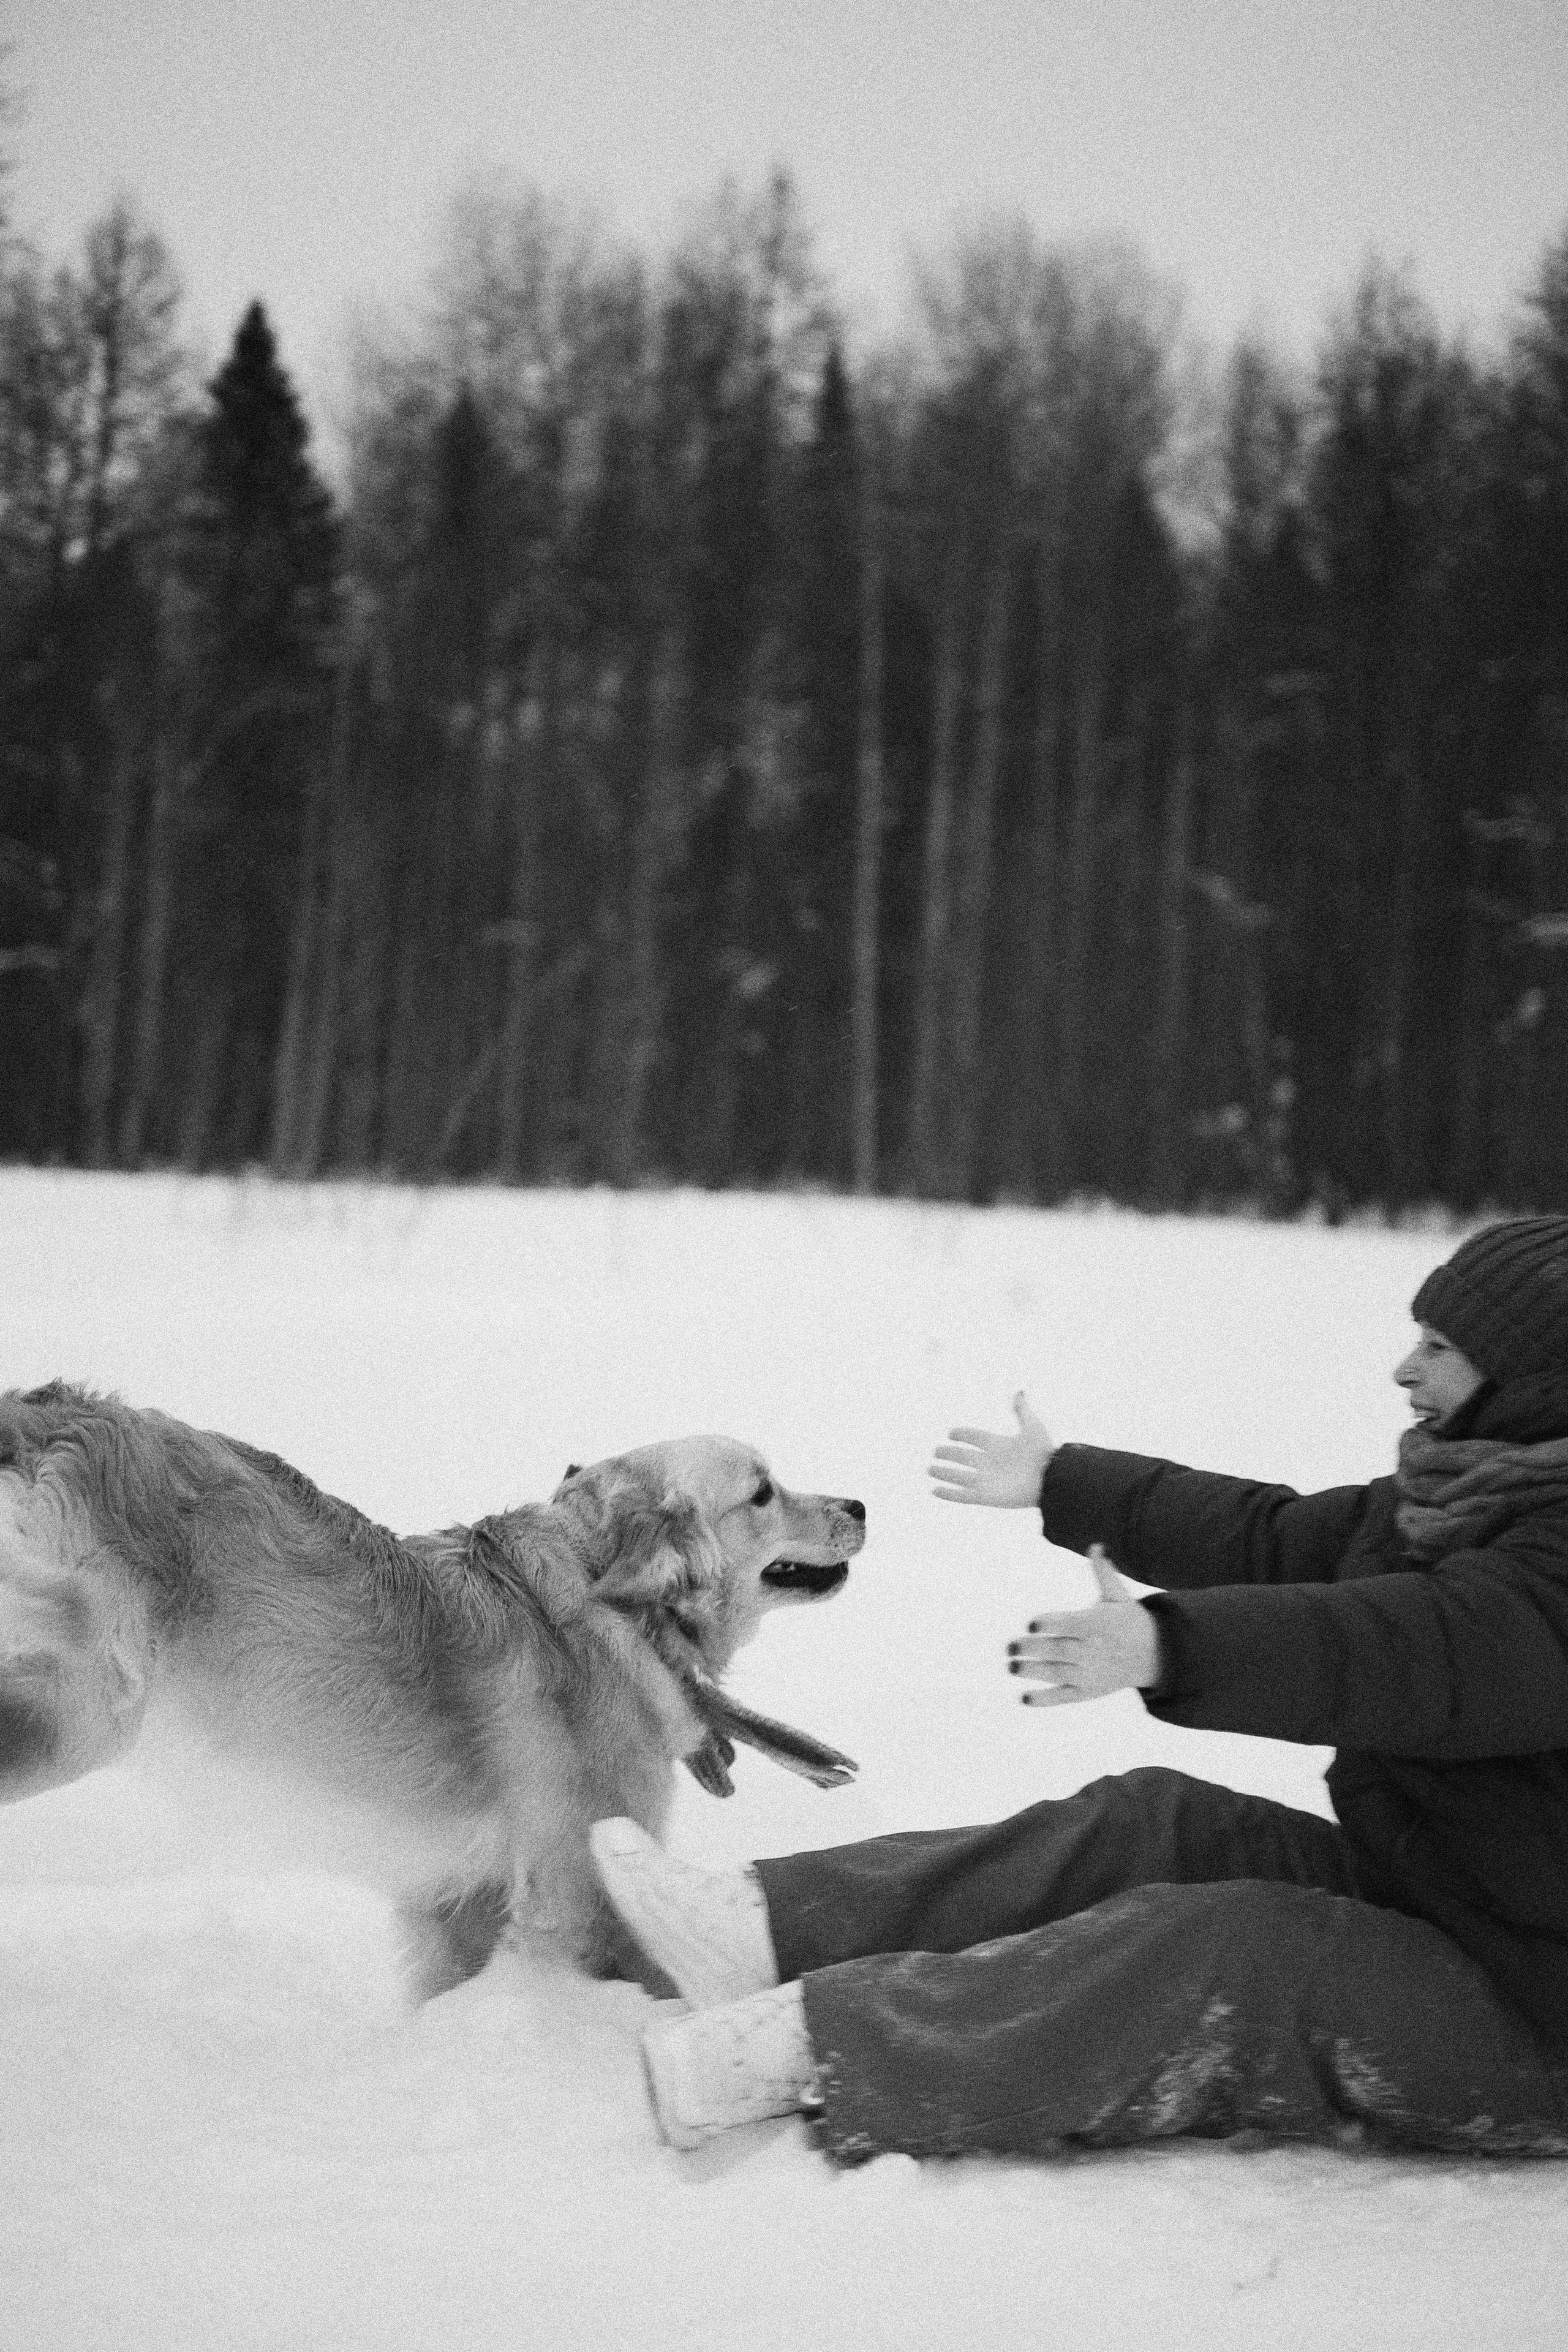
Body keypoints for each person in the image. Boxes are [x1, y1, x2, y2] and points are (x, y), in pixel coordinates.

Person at [591, 1218, 1568, 2161]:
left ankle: (824, 2051)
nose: (1404, 1369)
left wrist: (1171, 1646)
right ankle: (763, 1930)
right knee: (1158, 1821)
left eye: (1440, 1348)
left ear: (1536, 1386)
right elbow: (1273, 1538)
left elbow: (1417, 1649)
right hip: (1448, 1896)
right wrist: (1066, 1481)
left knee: (1240, 1955)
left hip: (1535, 2011)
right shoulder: (1464, 1494)